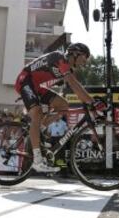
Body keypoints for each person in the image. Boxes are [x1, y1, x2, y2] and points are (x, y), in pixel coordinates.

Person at [14, 43, 102, 172]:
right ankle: (37, 161)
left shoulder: (69, 70)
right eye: (84, 57)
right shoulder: (59, 57)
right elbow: (73, 84)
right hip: (25, 80)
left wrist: (93, 108)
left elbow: (73, 87)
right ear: (75, 54)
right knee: (37, 113)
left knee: (63, 105)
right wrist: (92, 102)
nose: (85, 61)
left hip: (37, 87)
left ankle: (40, 132)